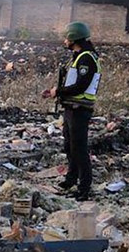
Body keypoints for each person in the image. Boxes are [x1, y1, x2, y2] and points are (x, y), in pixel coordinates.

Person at [42, 21, 101, 200]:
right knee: (69, 146)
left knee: (79, 149)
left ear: (74, 38)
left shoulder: (86, 58)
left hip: (80, 109)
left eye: (67, 37)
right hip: (71, 108)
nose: (64, 41)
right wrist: (56, 92)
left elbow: (80, 86)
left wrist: (57, 92)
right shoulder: (77, 56)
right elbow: (71, 82)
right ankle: (71, 179)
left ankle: (84, 188)